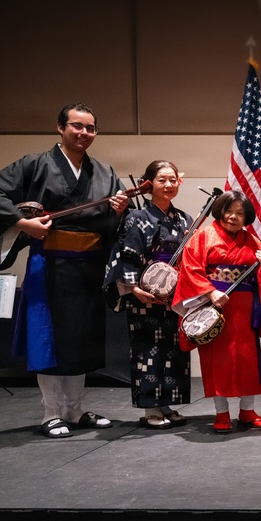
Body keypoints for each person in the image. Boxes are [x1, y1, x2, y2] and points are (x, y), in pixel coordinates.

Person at [0, 103, 128, 438]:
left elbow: (110, 223)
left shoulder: (105, 173)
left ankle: (75, 408)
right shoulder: (34, 165)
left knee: (81, 340)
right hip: (50, 264)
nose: (83, 133)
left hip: (88, 268)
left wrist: (119, 209)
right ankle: (51, 412)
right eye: (77, 126)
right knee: (49, 338)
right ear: (60, 128)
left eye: (90, 128)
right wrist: (22, 222)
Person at [172, 190, 261, 433]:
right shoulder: (202, 237)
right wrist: (210, 292)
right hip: (213, 306)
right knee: (216, 361)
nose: (233, 217)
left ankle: (247, 410)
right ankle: (221, 413)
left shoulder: (254, 241)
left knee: (247, 360)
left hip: (243, 308)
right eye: (229, 211)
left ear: (247, 216)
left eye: (240, 213)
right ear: (220, 210)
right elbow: (191, 270)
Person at [103, 160, 192, 429]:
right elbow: (126, 254)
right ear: (148, 184)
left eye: (173, 180)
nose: (168, 185)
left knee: (173, 350)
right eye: (162, 180)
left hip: (174, 296)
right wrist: (134, 289)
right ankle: (150, 407)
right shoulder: (137, 218)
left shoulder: (185, 219)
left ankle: (166, 403)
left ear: (180, 182)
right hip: (145, 293)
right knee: (147, 351)